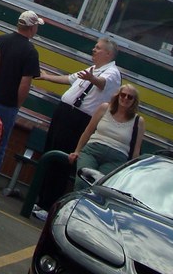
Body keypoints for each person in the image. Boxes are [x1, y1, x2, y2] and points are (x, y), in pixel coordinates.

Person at [31, 37, 122, 219]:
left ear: (108, 54)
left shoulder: (111, 73)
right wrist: (46, 76)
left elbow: (102, 83)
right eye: (94, 48)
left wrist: (93, 78)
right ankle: (40, 199)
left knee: (62, 159)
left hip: (78, 119)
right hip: (64, 113)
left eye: (97, 48)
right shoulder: (92, 69)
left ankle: (48, 205)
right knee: (51, 151)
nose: (93, 51)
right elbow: (70, 79)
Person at [0, 10, 43, 207]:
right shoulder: (30, 52)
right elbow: (25, 83)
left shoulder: (1, 40)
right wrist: (17, 104)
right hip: (7, 105)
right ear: (31, 28)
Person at [69, 84, 145, 190]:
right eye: (123, 95)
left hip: (116, 158)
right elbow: (88, 131)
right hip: (92, 150)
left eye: (130, 97)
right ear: (118, 96)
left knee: (98, 188)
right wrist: (77, 151)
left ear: (134, 101)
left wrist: (130, 172)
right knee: (81, 182)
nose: (125, 98)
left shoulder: (138, 121)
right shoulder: (104, 108)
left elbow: (136, 151)